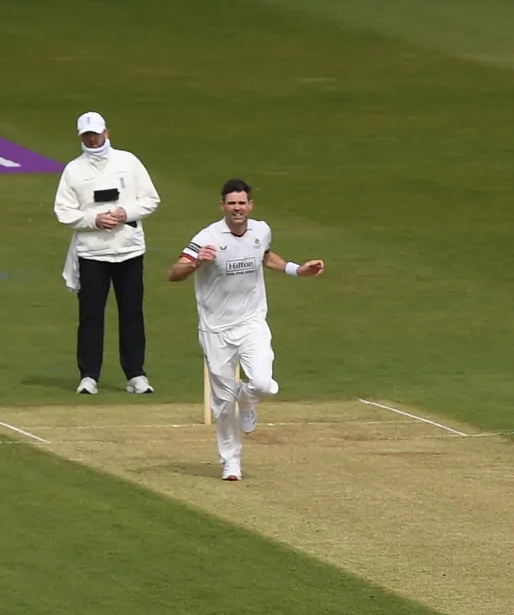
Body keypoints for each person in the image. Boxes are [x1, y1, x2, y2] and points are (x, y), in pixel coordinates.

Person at [167, 179, 325, 482]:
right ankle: (231, 461)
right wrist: (197, 263)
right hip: (215, 329)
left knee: (264, 384)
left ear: (250, 205)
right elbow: (174, 273)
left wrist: (297, 269)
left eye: (242, 203)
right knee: (223, 404)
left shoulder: (261, 231)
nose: (237, 209)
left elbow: (265, 257)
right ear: (223, 206)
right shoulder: (207, 236)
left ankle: (248, 397)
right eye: (231, 203)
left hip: (252, 322)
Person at [52, 111, 160, 395]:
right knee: (90, 315)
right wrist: (94, 220)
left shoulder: (128, 161)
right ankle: (89, 376)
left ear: (106, 133)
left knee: (132, 312)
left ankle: (136, 374)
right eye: (87, 135)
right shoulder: (73, 170)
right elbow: (63, 212)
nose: (92, 139)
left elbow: (150, 200)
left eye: (96, 133)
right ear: (81, 137)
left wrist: (126, 213)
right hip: (92, 253)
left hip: (128, 249)